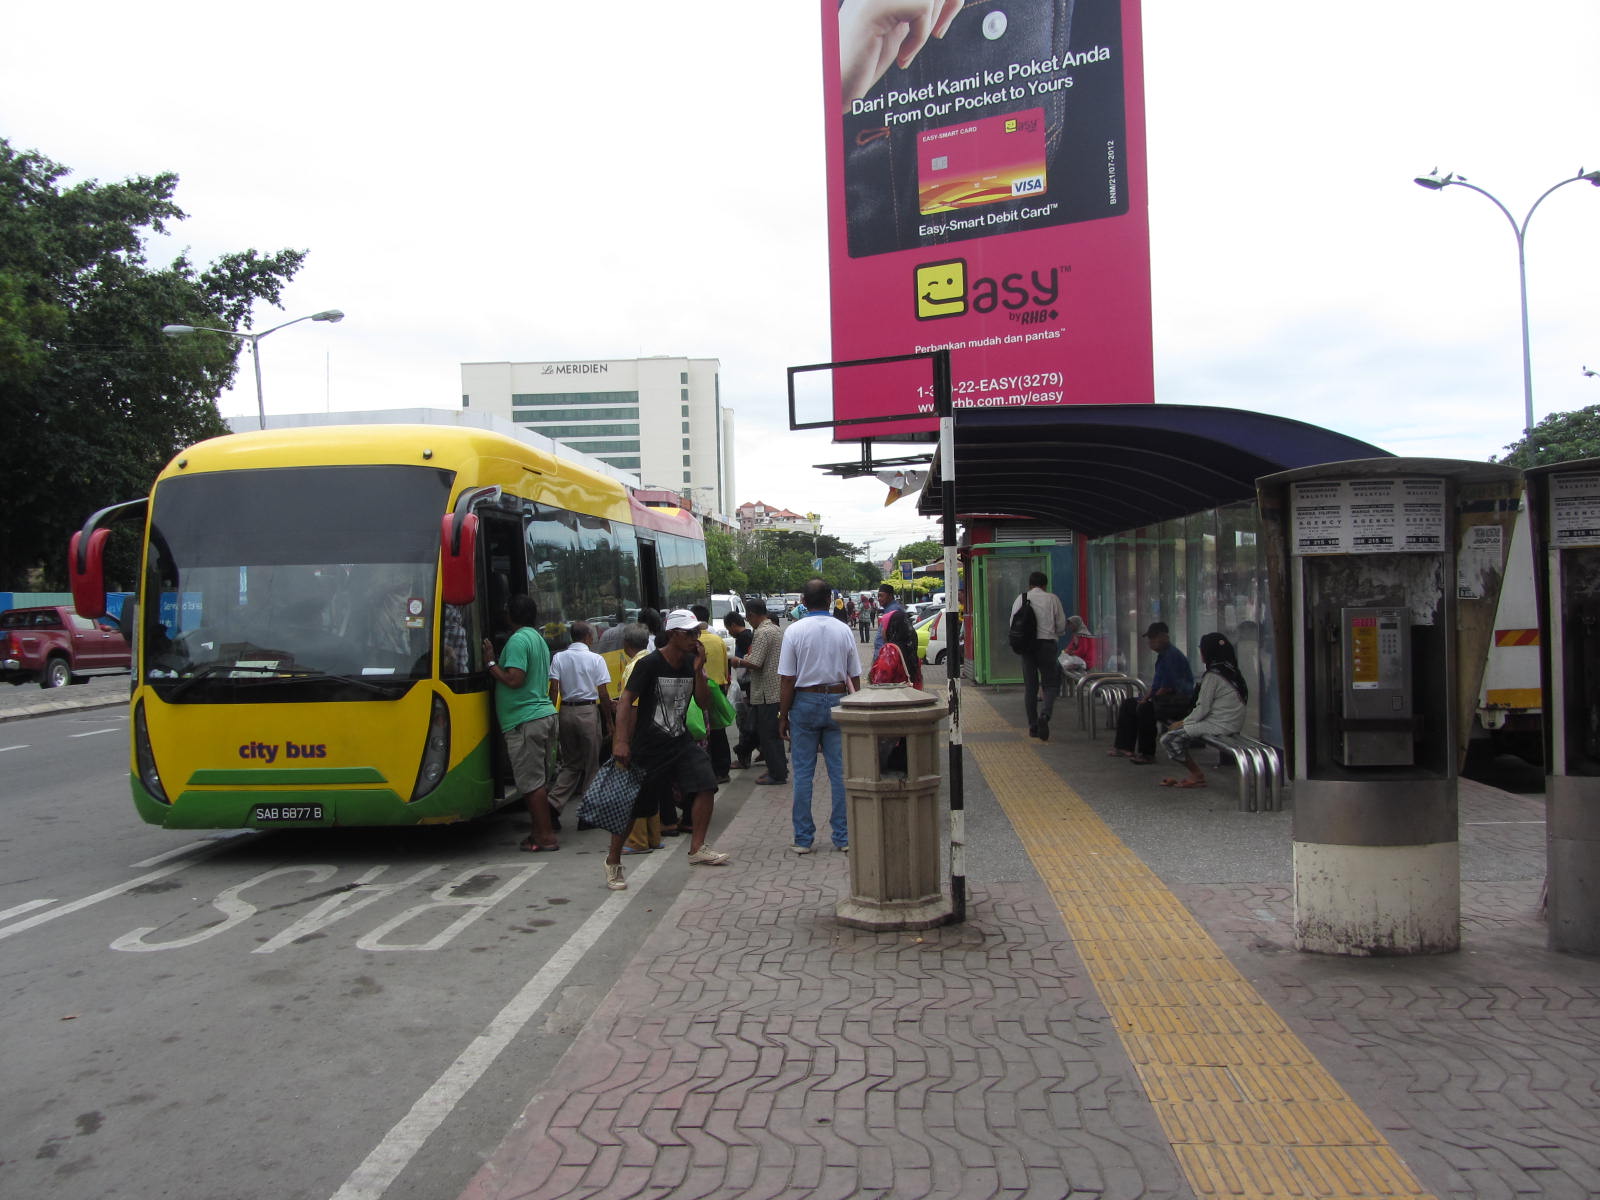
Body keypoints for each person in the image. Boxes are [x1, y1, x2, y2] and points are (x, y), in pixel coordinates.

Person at [608, 609, 730, 890]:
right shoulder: (650, 664)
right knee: (635, 808)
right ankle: (613, 861)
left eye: (697, 633)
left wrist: (699, 670)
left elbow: (703, 703)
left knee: (706, 783)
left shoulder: (690, 663)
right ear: (673, 634)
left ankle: (697, 848)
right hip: (649, 746)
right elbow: (626, 701)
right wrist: (621, 741)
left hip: (680, 740)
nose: (694, 638)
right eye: (689, 634)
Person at [778, 578, 861, 854]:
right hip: (838, 700)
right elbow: (855, 675)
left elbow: (787, 679)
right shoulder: (844, 630)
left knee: (803, 773)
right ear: (829, 600)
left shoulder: (794, 631)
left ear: (803, 601)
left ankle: (803, 839)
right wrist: (854, 707)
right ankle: (843, 837)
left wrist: (783, 715)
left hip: (804, 701)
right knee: (840, 773)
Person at [483, 594, 559, 852]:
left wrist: (491, 663)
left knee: (531, 784)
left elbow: (514, 679)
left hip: (526, 719)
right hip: (542, 715)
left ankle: (545, 837)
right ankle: (537, 833)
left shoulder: (517, 641)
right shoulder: (537, 638)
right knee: (537, 781)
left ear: (510, 615)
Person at [1159, 632, 1248, 789]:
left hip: (1219, 725)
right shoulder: (1231, 670)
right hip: (1230, 722)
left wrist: (1182, 723)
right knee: (1178, 733)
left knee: (1169, 739)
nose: (1200, 652)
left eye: (1202, 649)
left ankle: (1196, 774)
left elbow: (1202, 709)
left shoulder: (1213, 676)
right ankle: (1196, 773)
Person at [547, 620, 612, 827]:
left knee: (571, 762)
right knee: (592, 764)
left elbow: (554, 689)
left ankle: (553, 804)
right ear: (588, 638)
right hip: (587, 711)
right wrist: (609, 720)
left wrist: (553, 714)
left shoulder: (559, 657)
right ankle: (587, 813)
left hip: (566, 710)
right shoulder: (596, 659)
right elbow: (603, 693)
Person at [1111, 622, 1196, 764]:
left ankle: (1147, 754)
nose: (1150, 642)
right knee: (1129, 704)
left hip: (1178, 701)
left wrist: (1149, 701)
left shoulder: (1172, 656)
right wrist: (1145, 697)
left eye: (1153, 638)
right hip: (1166, 699)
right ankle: (1124, 747)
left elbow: (1167, 687)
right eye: (1149, 639)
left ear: (1164, 637)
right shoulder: (1162, 656)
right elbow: (1157, 685)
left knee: (1145, 709)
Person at [731, 598, 787, 784]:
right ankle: (776, 768)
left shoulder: (763, 633)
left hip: (766, 691)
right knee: (769, 733)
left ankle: (777, 773)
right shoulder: (775, 629)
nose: (749, 621)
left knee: (769, 734)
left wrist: (737, 661)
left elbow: (755, 662)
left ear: (752, 615)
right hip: (774, 689)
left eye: (749, 617)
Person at [1010, 572, 1068, 741]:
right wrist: (1056, 632)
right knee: (1050, 684)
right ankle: (1045, 715)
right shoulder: (1052, 599)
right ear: (1044, 585)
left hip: (1027, 646)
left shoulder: (1021, 598)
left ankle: (1033, 726)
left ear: (1030, 585)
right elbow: (1061, 624)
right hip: (1047, 645)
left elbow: (1013, 622)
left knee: (1031, 687)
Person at [690, 604, 733, 783]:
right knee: (719, 731)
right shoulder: (718, 640)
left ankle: (708, 771)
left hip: (700, 690)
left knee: (702, 732)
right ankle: (723, 770)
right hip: (718, 688)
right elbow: (726, 667)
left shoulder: (694, 643)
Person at [872, 584, 902, 654]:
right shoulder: (889, 609)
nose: (879, 598)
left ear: (890, 596)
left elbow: (888, 637)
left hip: (887, 656)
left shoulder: (893, 611)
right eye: (878, 596)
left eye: (881, 596)